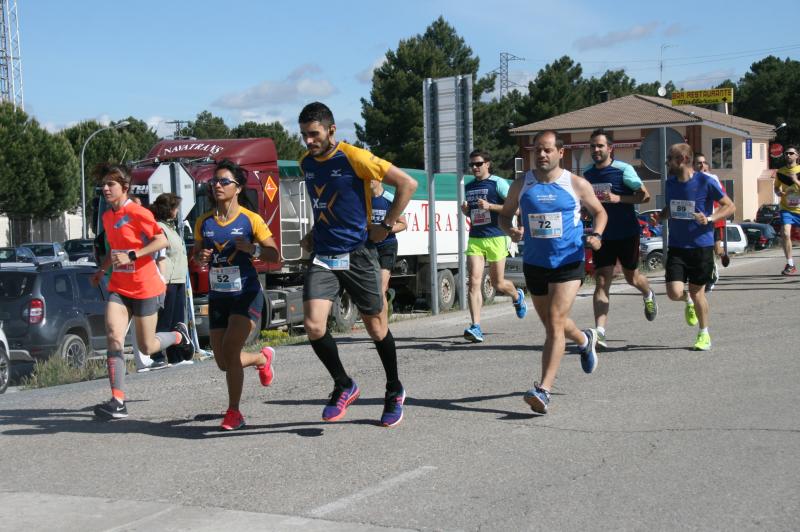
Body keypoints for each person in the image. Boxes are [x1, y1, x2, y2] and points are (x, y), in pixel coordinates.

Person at [298, 101, 417, 427]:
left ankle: (394, 389)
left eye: (314, 134)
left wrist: (388, 224)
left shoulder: (355, 157)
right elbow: (325, 204)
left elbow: (407, 183)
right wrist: (312, 232)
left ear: (332, 130)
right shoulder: (306, 163)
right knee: (314, 325)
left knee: (376, 328)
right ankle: (344, 384)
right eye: (304, 135)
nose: (309, 141)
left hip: (358, 254)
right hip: (324, 255)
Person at [498, 130, 607, 414]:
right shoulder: (522, 184)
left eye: (547, 150)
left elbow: (600, 212)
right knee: (552, 325)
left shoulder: (575, 184)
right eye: (537, 151)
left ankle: (543, 390)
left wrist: (596, 235)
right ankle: (585, 340)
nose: (542, 155)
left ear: (561, 152)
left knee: (556, 322)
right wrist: (510, 230)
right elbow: (504, 215)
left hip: (568, 262)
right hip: (535, 264)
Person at [90, 164, 193, 420]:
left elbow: (162, 241)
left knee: (147, 347)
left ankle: (178, 336)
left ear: (124, 188)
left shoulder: (138, 213)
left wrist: (134, 254)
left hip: (146, 287)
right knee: (114, 335)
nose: (105, 188)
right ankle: (118, 401)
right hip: (120, 288)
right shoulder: (108, 217)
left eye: (110, 184)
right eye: (103, 184)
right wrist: (102, 270)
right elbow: (115, 249)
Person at [194, 159, 280, 431]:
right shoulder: (204, 222)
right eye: (214, 182)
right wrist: (200, 255)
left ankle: (234, 412)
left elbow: (273, 253)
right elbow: (195, 254)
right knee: (223, 362)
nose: (217, 186)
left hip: (246, 293)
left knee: (231, 349)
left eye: (224, 182)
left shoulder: (250, 220)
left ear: (238, 188)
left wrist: (252, 249)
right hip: (219, 295)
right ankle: (261, 359)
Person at [582, 129, 657, 348]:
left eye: (600, 146)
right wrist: (586, 210)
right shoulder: (587, 174)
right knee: (602, 280)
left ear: (610, 148)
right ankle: (600, 332)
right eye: (593, 146)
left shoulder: (623, 170)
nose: (596, 150)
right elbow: (588, 202)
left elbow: (645, 196)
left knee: (632, 277)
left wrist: (618, 198)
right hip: (601, 235)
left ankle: (648, 293)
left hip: (626, 232)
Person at [661, 143, 734, 351]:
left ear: (683, 159)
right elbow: (671, 207)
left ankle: (704, 334)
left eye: (670, 158)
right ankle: (688, 302)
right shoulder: (670, 183)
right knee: (674, 292)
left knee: (697, 292)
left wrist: (709, 218)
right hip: (677, 245)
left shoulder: (705, 182)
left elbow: (730, 206)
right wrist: (663, 214)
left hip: (701, 246)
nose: (667, 162)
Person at [461, 149, 527, 343]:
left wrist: (491, 206)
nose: (474, 168)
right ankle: (476, 326)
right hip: (475, 237)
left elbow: (515, 209)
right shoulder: (469, 186)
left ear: (488, 164)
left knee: (498, 283)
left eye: (478, 164)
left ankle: (517, 295)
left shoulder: (497, 183)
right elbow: (474, 213)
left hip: (497, 236)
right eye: (472, 165)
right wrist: (466, 211)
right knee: (473, 282)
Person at [150, 193, 191, 367]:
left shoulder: (172, 228)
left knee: (177, 321)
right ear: (169, 209)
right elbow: (160, 255)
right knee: (165, 320)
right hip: (167, 281)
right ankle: (157, 356)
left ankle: (176, 356)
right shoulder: (159, 227)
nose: (177, 211)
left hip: (178, 279)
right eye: (175, 208)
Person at [367, 179, 407, 314]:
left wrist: (385, 230)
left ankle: (382, 321)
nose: (368, 180)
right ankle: (387, 301)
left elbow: (403, 224)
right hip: (368, 245)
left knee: (380, 287)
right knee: (371, 286)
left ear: (379, 179)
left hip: (387, 245)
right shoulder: (363, 199)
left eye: (371, 177)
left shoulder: (390, 198)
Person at [693, 153, 725, 291]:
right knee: (703, 251)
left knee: (716, 249)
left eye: (704, 163)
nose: (702, 165)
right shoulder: (689, 179)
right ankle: (711, 273)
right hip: (697, 221)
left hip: (713, 219)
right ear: (693, 165)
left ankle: (719, 260)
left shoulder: (713, 179)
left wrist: (715, 216)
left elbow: (725, 201)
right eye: (699, 163)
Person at [773, 146, 800, 275]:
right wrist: (778, 192)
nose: (788, 155)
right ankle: (790, 264)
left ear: (797, 156)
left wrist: (795, 180)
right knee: (786, 233)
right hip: (786, 209)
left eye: (791, 153)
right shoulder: (780, 172)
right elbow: (776, 188)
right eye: (786, 153)